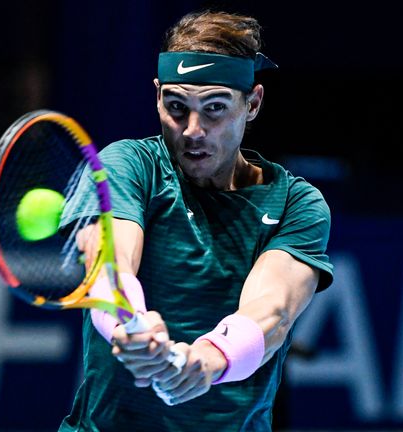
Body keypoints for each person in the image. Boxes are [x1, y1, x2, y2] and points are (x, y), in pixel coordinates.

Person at [58, 10, 333, 432]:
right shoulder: (129, 165)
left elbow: (273, 312)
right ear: (156, 97)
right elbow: (109, 262)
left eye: (215, 109)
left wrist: (208, 359)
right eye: (176, 106)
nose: (193, 130)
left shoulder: (296, 204)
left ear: (253, 103)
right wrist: (128, 325)